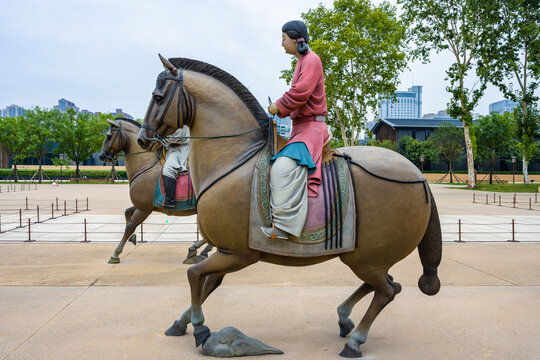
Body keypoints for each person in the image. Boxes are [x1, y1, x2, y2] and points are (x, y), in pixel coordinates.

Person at [263, 20, 329, 240]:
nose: (281, 44)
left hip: (311, 129)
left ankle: (283, 226)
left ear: (295, 38)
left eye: (283, 38)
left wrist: (278, 106)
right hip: (299, 128)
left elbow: (301, 92)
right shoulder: (301, 62)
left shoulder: (311, 60)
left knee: (282, 167)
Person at [161, 125, 190, 208]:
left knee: (168, 169)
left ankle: (169, 201)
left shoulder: (179, 122)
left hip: (180, 151)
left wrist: (160, 138)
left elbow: (173, 138)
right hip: (171, 150)